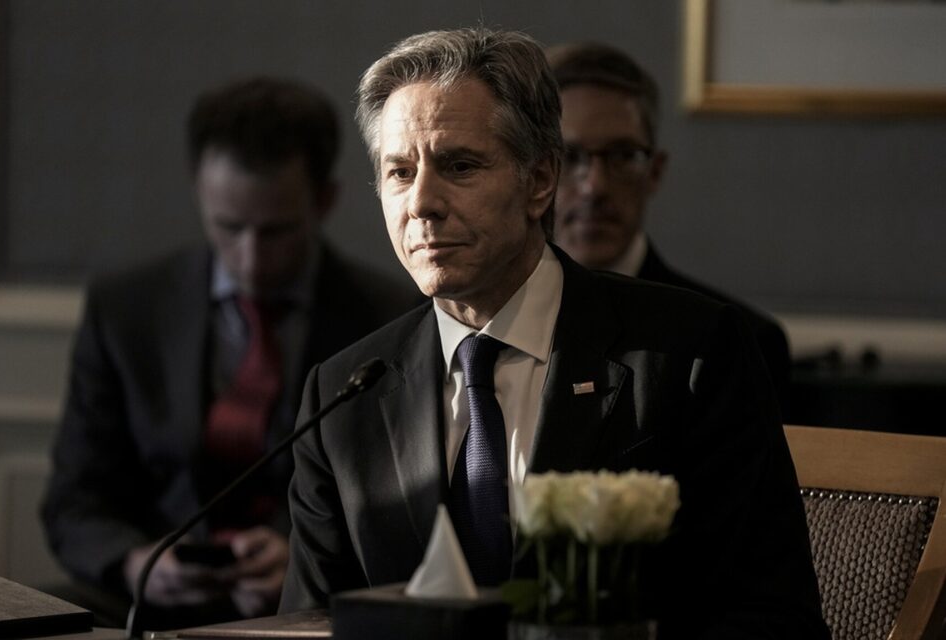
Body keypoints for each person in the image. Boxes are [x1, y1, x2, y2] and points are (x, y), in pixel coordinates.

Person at [278, 28, 829, 638]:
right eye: (400, 172)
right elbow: (306, 626)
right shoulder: (343, 396)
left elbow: (773, 620)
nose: (422, 202)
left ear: (540, 181)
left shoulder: (691, 355)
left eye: (459, 166)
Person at [41, 76, 421, 630]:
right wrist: (137, 562)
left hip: (309, 605)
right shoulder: (125, 309)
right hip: (147, 599)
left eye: (276, 232)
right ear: (200, 191)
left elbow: (404, 500)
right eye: (229, 226)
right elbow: (73, 501)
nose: (250, 258)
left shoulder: (392, 316)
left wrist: (302, 553)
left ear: (324, 201)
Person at [546, 42, 792, 415]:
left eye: (623, 155)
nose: (594, 186)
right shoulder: (487, 325)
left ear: (655, 172)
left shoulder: (738, 342)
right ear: (534, 172)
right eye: (569, 156)